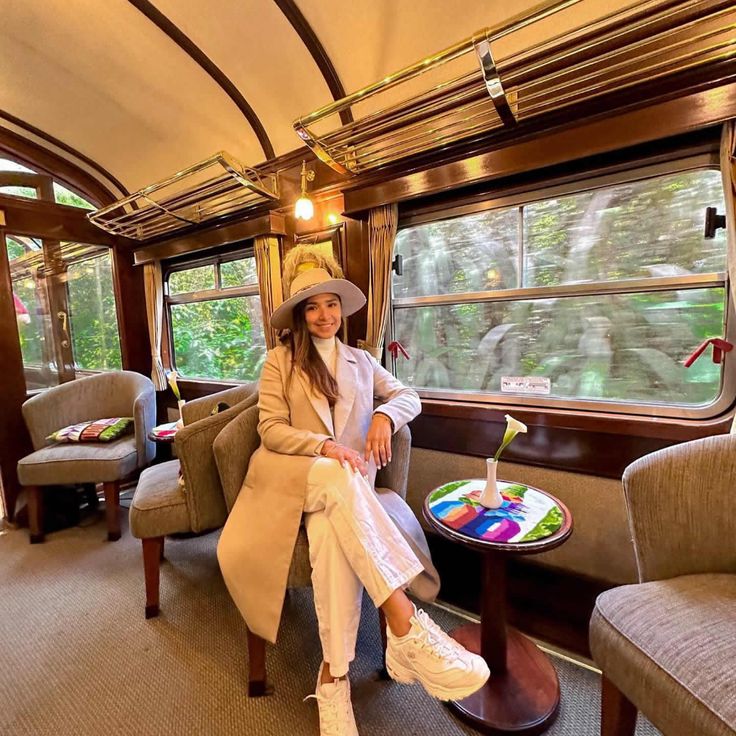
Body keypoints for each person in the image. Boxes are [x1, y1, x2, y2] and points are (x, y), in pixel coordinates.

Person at [218, 248, 489, 736]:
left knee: (329, 539)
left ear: (342, 309)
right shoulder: (279, 362)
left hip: (343, 496)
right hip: (293, 481)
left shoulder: (362, 361)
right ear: (300, 315)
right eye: (312, 307)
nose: (325, 316)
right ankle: (405, 627)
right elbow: (270, 429)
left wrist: (384, 415)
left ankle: (334, 678)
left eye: (331, 305)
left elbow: (410, 396)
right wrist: (323, 445)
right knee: (336, 480)